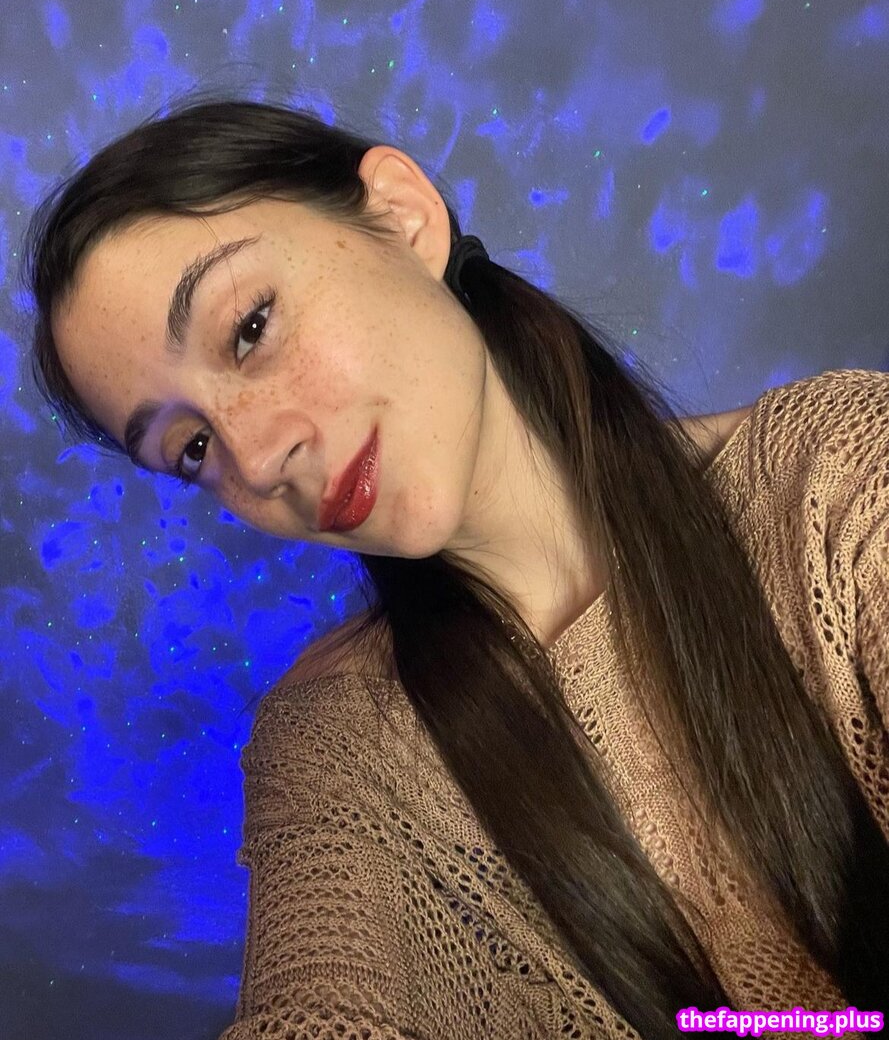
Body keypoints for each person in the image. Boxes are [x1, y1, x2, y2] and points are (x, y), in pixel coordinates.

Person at [23, 93, 889, 1039]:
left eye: (250, 326)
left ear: (403, 217)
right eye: (191, 448)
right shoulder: (334, 749)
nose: (258, 457)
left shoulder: (838, 476)